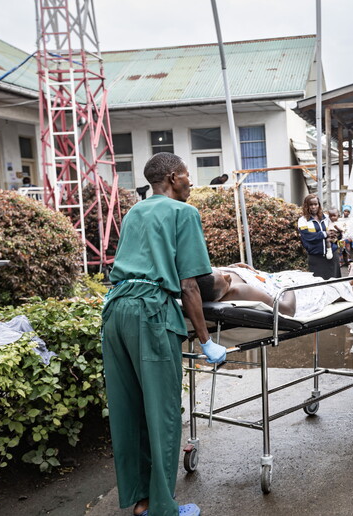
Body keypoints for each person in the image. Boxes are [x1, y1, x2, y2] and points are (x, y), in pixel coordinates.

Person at [102, 152, 227, 516]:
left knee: (129, 410)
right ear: (173, 178)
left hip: (116, 311)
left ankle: (141, 501)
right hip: (151, 313)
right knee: (163, 413)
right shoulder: (184, 213)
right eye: (187, 176)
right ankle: (163, 509)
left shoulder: (135, 212)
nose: (191, 182)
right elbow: (189, 285)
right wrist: (205, 341)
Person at [196, 263, 353, 318]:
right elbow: (286, 311)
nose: (227, 276)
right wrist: (290, 287)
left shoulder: (207, 276)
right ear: (222, 293)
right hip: (285, 291)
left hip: (272, 280)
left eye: (221, 273)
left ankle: (351, 283)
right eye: (225, 281)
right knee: (326, 288)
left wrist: (232, 267)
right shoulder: (239, 291)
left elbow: (219, 275)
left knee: (320, 280)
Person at [299, 194, 340, 279]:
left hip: (332, 255)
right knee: (319, 286)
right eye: (311, 205)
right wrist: (325, 234)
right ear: (306, 206)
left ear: (319, 205)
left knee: (335, 285)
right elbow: (308, 237)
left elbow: (334, 233)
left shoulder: (326, 218)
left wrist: (337, 234)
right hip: (316, 258)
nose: (314, 207)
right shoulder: (303, 220)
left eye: (316, 204)